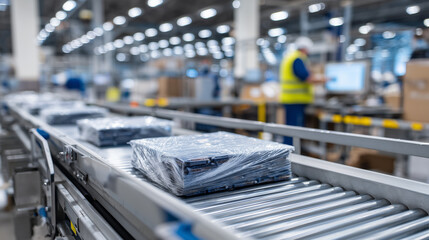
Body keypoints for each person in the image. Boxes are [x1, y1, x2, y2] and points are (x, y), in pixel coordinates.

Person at [279, 36, 326, 145]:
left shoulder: (290, 57)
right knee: (294, 130)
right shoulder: (297, 58)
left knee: (291, 129)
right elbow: (306, 77)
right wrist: (323, 79)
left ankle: (291, 152)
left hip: (291, 99)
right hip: (295, 100)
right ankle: (291, 154)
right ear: (305, 48)